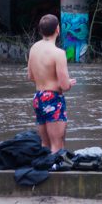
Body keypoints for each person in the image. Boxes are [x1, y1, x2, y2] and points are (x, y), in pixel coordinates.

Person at [27, 14, 76, 153]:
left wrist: (45, 79)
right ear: (57, 29)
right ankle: (56, 172)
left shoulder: (34, 48)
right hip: (53, 99)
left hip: (38, 98)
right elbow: (64, 86)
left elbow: (30, 76)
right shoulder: (58, 53)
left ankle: (44, 171)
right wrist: (68, 83)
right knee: (57, 144)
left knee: (45, 144)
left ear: (41, 30)